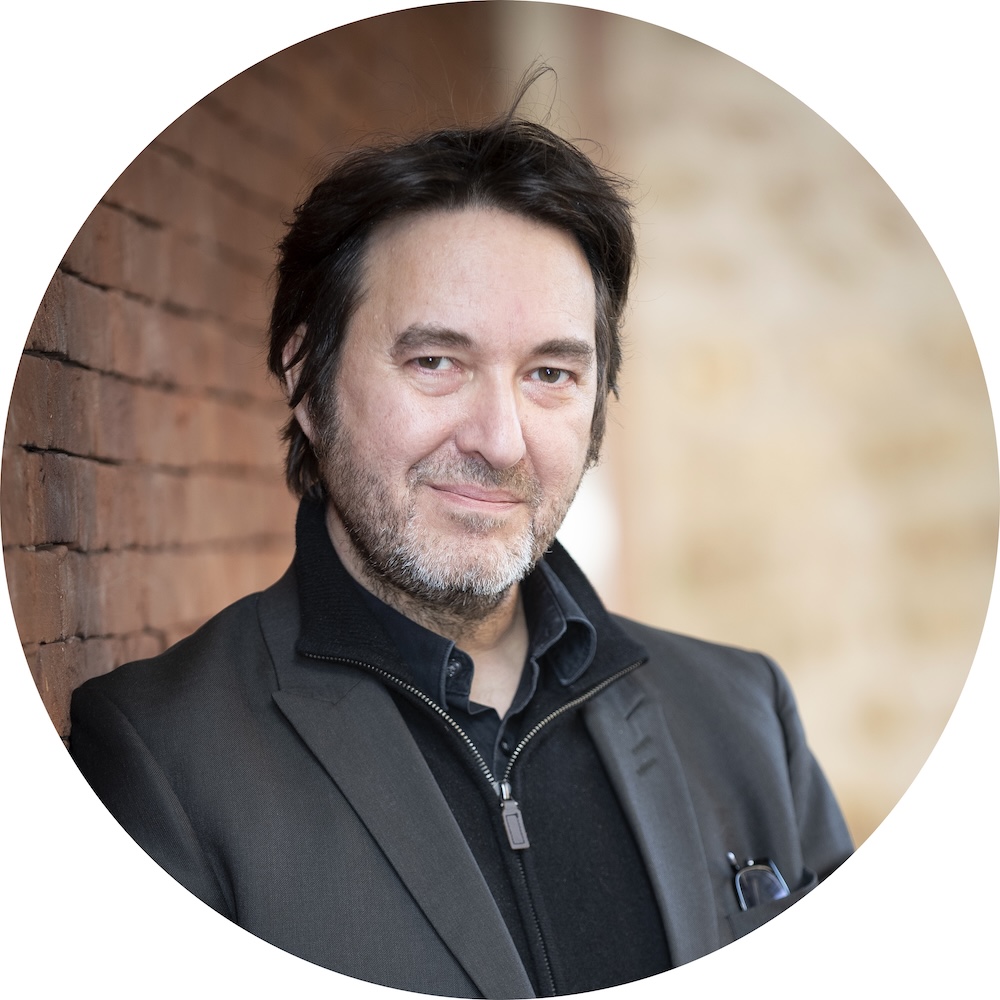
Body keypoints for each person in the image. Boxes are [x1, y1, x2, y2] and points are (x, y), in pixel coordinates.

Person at [69, 101, 853, 997]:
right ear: (306, 379)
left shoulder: (746, 716)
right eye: (436, 362)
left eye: (550, 374)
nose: (501, 440)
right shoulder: (164, 757)